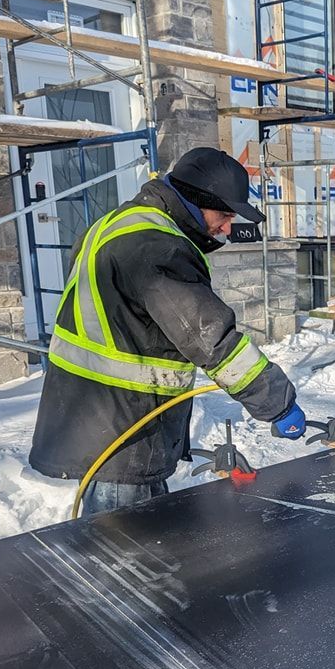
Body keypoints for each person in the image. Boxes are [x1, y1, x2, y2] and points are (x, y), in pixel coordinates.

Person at [29, 147, 306, 516]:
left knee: (147, 549)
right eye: (223, 215)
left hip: (95, 418)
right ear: (194, 200)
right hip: (124, 429)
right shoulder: (158, 247)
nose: (227, 228)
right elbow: (212, 340)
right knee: (126, 560)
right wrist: (278, 403)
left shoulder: (114, 224)